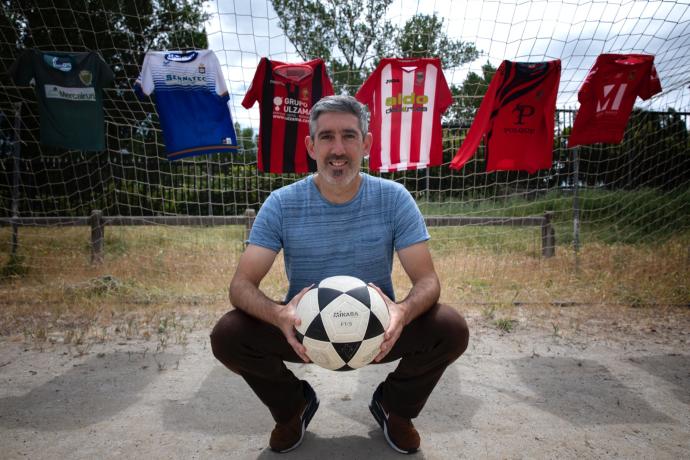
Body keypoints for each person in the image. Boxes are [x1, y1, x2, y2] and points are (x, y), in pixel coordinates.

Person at [210, 95, 469, 454]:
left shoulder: (394, 198)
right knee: (228, 335)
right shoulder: (282, 203)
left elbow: (428, 281)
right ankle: (292, 408)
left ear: (366, 143)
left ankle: (395, 408)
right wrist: (280, 315)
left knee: (450, 328)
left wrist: (402, 312)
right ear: (310, 145)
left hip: (380, 333)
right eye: (327, 136)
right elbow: (240, 285)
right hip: (303, 334)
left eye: (349, 136)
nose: (338, 148)